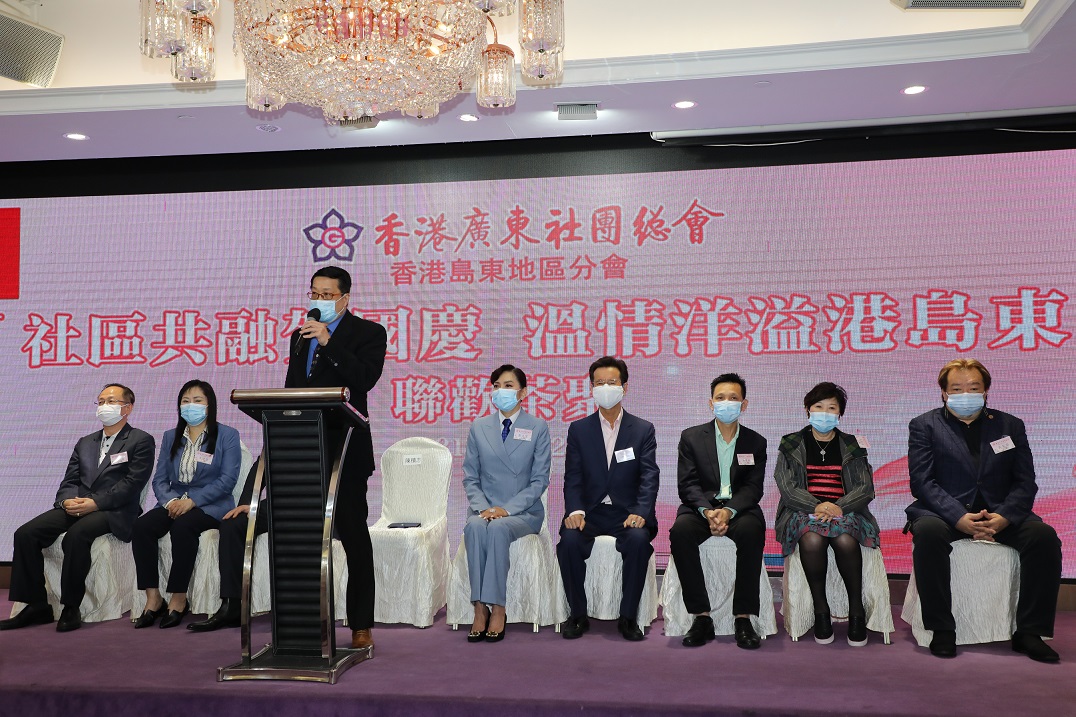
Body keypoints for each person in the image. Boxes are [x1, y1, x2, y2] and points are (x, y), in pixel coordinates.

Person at [191, 267, 387, 650]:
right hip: (302, 454)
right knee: (300, 542)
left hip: (345, 454)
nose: (319, 300)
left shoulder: (369, 333)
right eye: (314, 293)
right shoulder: (299, 338)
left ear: (345, 298)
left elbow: (364, 380)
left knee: (354, 539)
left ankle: (361, 625)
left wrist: (328, 341)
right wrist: (253, 492)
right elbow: (290, 397)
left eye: (327, 295)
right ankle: (307, 623)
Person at [906, 358, 1061, 662]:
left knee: (1043, 538)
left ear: (986, 391)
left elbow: (1025, 481)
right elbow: (922, 482)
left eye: (973, 388)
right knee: (928, 534)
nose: (966, 394)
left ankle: (1030, 632)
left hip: (1000, 512)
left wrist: (1005, 517)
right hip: (945, 513)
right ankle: (942, 628)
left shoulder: (1010, 425)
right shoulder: (924, 425)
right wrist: (958, 517)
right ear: (943, 393)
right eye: (957, 389)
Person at [0, 384, 154, 633]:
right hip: (79, 505)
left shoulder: (141, 440)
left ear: (128, 408)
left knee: (77, 535)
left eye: (111, 401)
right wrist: (66, 501)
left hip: (114, 510)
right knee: (26, 534)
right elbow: (70, 479)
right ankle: (36, 605)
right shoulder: (85, 442)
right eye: (101, 402)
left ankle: (71, 606)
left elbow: (132, 484)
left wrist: (96, 503)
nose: (104, 406)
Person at [557, 356, 659, 642]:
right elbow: (573, 477)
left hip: (627, 512)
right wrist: (575, 511)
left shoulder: (642, 429)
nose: (605, 388)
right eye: (599, 383)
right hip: (589, 512)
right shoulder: (579, 429)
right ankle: (578, 614)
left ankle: (628, 617)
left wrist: (641, 511)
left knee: (638, 542)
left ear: (624, 387)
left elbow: (649, 476)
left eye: (611, 382)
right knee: (569, 543)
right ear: (591, 388)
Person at [774, 382, 879, 647]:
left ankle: (856, 611)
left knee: (845, 540)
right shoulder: (791, 443)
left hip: (846, 510)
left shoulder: (853, 445)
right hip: (803, 511)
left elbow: (865, 487)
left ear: (840, 413)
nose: (824, 413)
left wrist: (838, 507)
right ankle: (821, 611)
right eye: (818, 407)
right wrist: (816, 506)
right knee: (812, 540)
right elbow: (787, 487)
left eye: (831, 408)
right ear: (807, 410)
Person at [131, 380, 242, 629]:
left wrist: (193, 501)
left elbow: (227, 480)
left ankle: (179, 599)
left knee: (183, 527)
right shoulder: (170, 436)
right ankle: (153, 598)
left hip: (211, 504)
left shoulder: (227, 435)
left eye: (197, 401)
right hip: (175, 501)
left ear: (210, 405)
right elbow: (160, 479)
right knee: (142, 527)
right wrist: (171, 501)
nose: (191, 406)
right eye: (186, 401)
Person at [669, 373, 768, 649]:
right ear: (711, 403)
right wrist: (707, 511)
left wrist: (729, 511)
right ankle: (701, 616)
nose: (727, 403)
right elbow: (687, 484)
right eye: (720, 398)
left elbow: (753, 488)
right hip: (700, 509)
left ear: (744, 405)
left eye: (733, 398)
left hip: (739, 510)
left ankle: (743, 618)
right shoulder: (691, 437)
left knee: (752, 531)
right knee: (680, 532)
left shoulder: (756, 442)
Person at [461, 364, 551, 643]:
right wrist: (483, 507)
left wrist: (506, 509)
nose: (501, 391)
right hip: (484, 509)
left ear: (523, 392)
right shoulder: (479, 427)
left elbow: (539, 480)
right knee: (475, 527)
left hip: (523, 512)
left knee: (499, 528)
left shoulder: (537, 427)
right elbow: (470, 476)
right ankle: (479, 607)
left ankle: (498, 607)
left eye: (509, 386)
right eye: (497, 386)